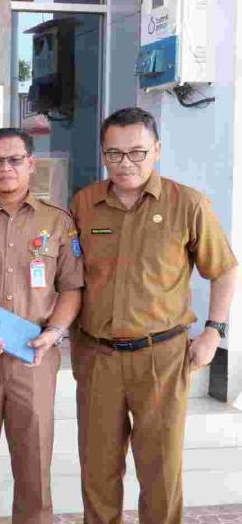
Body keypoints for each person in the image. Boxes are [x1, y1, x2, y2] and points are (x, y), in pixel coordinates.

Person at [70, 107, 237, 524]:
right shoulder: (85, 204)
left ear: (157, 150)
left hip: (161, 357)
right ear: (103, 153)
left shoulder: (188, 204)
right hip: (98, 357)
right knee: (98, 471)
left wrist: (214, 332)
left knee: (160, 471)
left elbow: (224, 269)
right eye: (114, 153)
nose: (125, 163)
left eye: (138, 152)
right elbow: (68, 274)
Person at [0, 127, 84, 524]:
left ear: (31, 163)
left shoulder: (58, 222)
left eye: (14, 160)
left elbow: (71, 287)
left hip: (34, 359)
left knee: (34, 463)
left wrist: (54, 333)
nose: (5, 168)